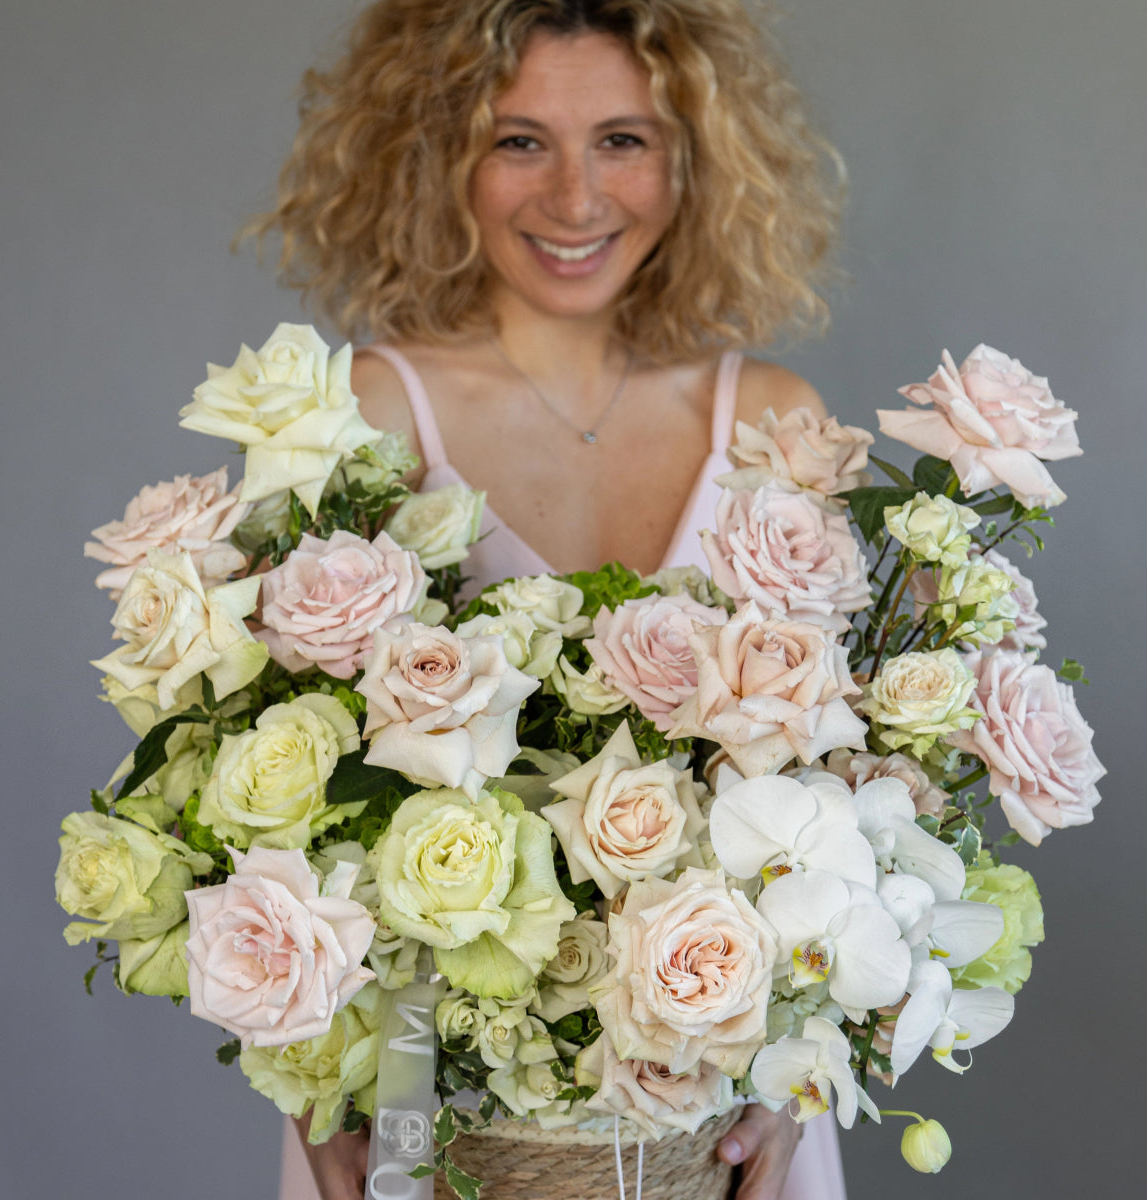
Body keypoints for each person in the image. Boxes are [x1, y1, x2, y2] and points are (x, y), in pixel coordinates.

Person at [250, 2, 847, 1197]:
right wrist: (308, 1068)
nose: (575, 199)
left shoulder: (779, 419)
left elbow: (858, 800)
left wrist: (803, 1074)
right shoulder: (364, 415)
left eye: (621, 140)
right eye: (519, 141)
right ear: (437, 158)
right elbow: (270, 785)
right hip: (424, 1107)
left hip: (728, 1114)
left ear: (690, 158)